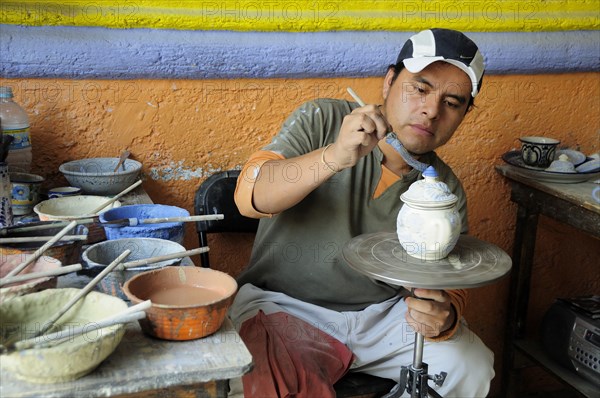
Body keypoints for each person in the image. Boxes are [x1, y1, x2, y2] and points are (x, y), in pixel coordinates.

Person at [229, 28, 493, 397]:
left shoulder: (444, 189)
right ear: (389, 81)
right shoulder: (323, 119)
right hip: (285, 307)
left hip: (384, 318)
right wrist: (334, 156)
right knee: (268, 380)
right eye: (419, 88)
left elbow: (448, 281)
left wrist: (444, 317)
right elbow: (249, 196)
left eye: (452, 102)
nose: (431, 110)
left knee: (469, 365)